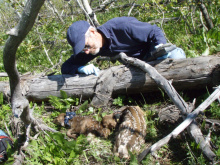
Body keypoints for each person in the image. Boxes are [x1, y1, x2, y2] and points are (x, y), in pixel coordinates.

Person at [61, 17, 186, 76]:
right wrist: (80, 68)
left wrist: (160, 47)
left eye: (86, 46)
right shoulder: (95, 48)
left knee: (177, 57)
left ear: (93, 32)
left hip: (156, 55)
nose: (86, 52)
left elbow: (154, 31)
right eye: (83, 49)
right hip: (140, 66)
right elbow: (66, 67)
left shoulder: (122, 26)